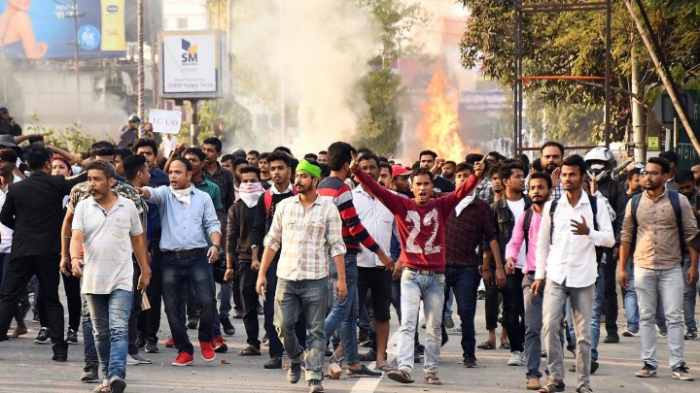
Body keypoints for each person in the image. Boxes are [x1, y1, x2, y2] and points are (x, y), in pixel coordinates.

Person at [350, 153, 484, 385]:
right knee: (408, 324)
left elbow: (461, 191)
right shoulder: (400, 203)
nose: (422, 188)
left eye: (426, 184)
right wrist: (358, 173)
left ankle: (431, 370)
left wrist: (477, 176)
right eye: (418, 184)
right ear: (411, 188)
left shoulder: (441, 205)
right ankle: (404, 368)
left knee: (434, 327)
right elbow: (379, 190)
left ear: (433, 187)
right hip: (410, 275)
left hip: (436, 278)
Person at [255, 159, 347, 393]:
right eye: (297, 176)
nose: (298, 180)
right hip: (286, 277)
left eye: (304, 176)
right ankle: (296, 358)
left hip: (315, 279)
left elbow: (337, 246)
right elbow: (272, 241)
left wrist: (342, 280)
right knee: (283, 325)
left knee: (317, 330)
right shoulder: (285, 206)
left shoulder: (329, 209)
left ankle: (314, 376)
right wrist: (262, 274)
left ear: (315, 180)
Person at [532, 154, 615, 393]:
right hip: (556, 275)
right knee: (549, 325)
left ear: (582, 176)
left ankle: (583, 384)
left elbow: (609, 239)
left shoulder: (597, 203)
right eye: (565, 174)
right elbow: (541, 243)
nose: (567, 179)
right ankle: (555, 379)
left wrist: (589, 232)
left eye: (572, 175)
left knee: (582, 335)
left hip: (584, 276)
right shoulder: (553, 205)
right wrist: (540, 275)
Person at [69, 160, 150, 393]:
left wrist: (145, 269)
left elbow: (137, 239)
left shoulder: (128, 206)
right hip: (93, 280)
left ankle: (116, 374)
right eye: (89, 179)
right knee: (101, 333)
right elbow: (76, 237)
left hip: (122, 279)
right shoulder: (83, 206)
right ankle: (107, 379)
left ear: (111, 181)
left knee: (119, 329)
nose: (91, 184)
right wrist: (75, 259)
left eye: (97, 179)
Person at [0, 145, 86, 362]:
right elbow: (81, 180)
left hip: (21, 249)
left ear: (27, 164)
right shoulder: (57, 184)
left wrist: (20, 227)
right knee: (51, 298)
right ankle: (59, 349)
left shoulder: (17, 189)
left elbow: (4, 218)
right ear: (48, 164)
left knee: (8, 298)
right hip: (49, 250)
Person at [619, 157, 699, 381]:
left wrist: (693, 265)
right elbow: (626, 236)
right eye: (645, 173)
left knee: (674, 317)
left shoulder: (679, 201)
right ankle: (648, 363)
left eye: (654, 173)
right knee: (646, 317)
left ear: (665, 176)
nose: (648, 177)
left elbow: (692, 234)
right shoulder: (634, 203)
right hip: (642, 266)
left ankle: (678, 364)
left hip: (672, 267)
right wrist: (622, 268)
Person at [138, 157, 222, 367]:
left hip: (198, 257)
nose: (172, 176)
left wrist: (215, 245)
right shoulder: (165, 194)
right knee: (173, 308)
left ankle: (205, 338)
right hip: (170, 261)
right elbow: (150, 193)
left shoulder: (202, 197)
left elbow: (213, 223)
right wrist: (141, 191)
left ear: (189, 174)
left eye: (177, 172)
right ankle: (184, 350)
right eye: (171, 172)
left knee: (208, 301)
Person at [318, 142, 393, 379]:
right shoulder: (342, 189)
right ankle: (310, 350)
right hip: (345, 256)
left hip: (328, 253)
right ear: (347, 162)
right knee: (342, 309)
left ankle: (353, 362)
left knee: (350, 312)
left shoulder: (322, 187)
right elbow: (354, 226)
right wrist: (380, 253)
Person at [250, 151, 307, 369]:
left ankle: (299, 355)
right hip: (274, 261)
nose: (276, 172)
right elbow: (258, 229)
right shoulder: (265, 198)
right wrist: (256, 259)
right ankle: (275, 354)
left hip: (298, 260)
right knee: (275, 309)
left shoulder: (301, 195)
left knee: (300, 310)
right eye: (273, 169)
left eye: (280, 168)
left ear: (290, 171)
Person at [443, 162, 501, 369]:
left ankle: (469, 353)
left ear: (474, 180)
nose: (462, 179)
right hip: (440, 266)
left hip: (467, 267)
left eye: (466, 175)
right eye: (459, 175)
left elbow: (491, 237)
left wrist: (496, 267)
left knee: (466, 311)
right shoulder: (445, 201)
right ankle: (440, 337)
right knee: (437, 310)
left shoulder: (482, 207)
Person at [352, 152, 400, 372]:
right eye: (365, 167)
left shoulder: (390, 198)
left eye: (373, 167)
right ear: (356, 171)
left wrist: (400, 261)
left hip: (383, 267)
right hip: (356, 265)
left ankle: (381, 357)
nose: (369, 171)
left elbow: (401, 234)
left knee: (382, 314)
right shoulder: (349, 197)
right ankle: (346, 356)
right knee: (350, 314)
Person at [505, 172, 552, 390]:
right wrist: (510, 257)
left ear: (549, 191)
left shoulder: (558, 215)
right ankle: (533, 373)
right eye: (532, 187)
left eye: (540, 187)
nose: (536, 191)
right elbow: (514, 241)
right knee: (532, 327)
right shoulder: (527, 216)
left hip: (556, 279)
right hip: (531, 277)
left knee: (553, 329)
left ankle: (554, 373)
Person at [486, 161, 529, 366]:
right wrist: (493, 267)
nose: (522, 180)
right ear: (506, 181)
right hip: (508, 266)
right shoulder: (495, 208)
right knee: (511, 309)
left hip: (532, 266)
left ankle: (525, 344)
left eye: (523, 176)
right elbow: (489, 239)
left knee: (529, 311)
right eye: (518, 176)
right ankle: (516, 349)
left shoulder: (532, 205)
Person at [584, 147, 627, 344]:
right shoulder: (582, 185)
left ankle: (611, 330)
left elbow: (620, 218)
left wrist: (618, 243)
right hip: (585, 245)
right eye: (592, 164)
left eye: (600, 164)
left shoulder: (616, 187)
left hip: (608, 244)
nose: (595, 168)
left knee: (609, 287)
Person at [133, 137, 168, 353]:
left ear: (156, 157)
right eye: (141, 153)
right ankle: (138, 332)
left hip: (157, 241)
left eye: (149, 153)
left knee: (154, 292)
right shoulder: (127, 180)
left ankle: (151, 335)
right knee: (136, 289)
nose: (145, 157)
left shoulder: (163, 179)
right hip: (134, 242)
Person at [226, 165, 265, 356]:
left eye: (253, 181)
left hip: (270, 258)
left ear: (260, 182)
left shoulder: (268, 204)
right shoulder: (235, 208)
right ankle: (253, 342)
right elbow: (231, 238)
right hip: (244, 260)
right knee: (248, 303)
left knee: (275, 302)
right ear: (239, 183)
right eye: (245, 181)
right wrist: (229, 265)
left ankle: (275, 338)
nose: (249, 185)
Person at [0, 149, 26, 339]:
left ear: (11, 164)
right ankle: (20, 324)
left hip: (15, 244)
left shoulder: (21, 186)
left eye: (1, 161)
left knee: (6, 289)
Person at [675, 169, 700, 339]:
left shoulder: (698, 198)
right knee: (687, 292)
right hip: (684, 252)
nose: (685, 191)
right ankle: (691, 327)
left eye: (688, 187)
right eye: (681, 188)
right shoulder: (674, 199)